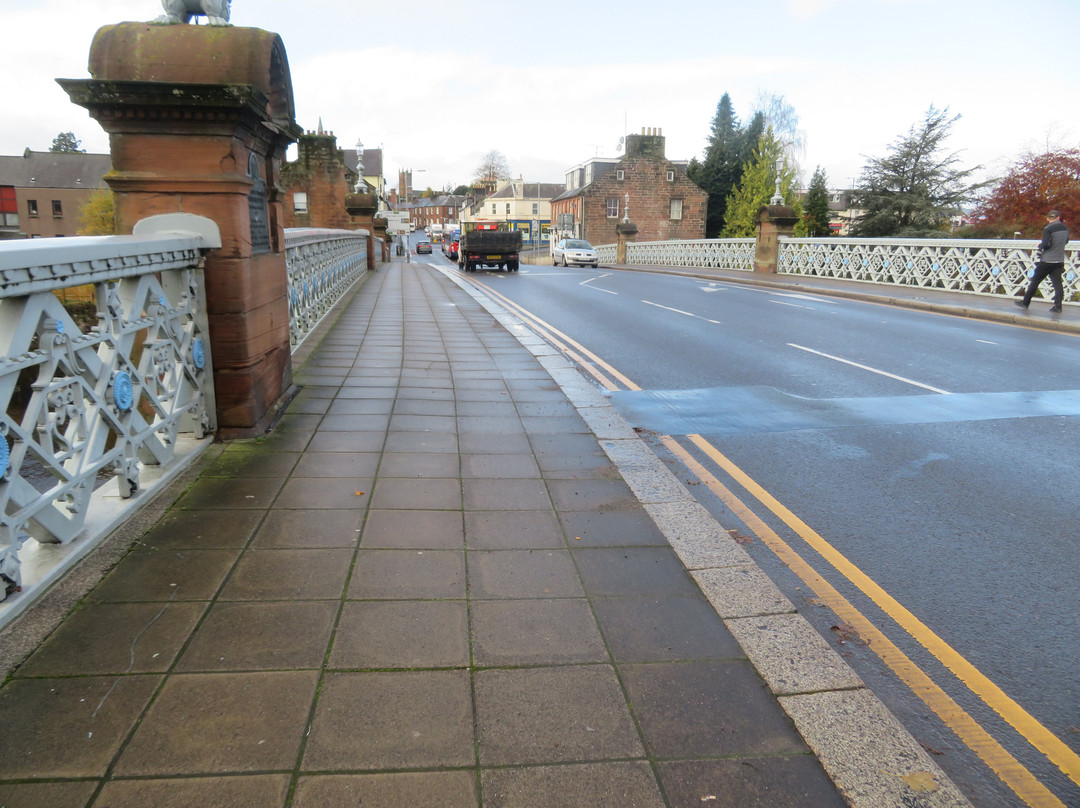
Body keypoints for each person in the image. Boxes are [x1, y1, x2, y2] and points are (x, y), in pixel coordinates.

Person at [1016, 210, 1070, 313]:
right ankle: (1058, 306)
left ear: (1048, 219)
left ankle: (1025, 303)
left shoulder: (1048, 229)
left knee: (1035, 281)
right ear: (1058, 218)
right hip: (1059, 260)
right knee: (1058, 284)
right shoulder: (1064, 228)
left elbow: (1046, 244)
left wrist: (1040, 246)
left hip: (1047, 260)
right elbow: (1066, 241)